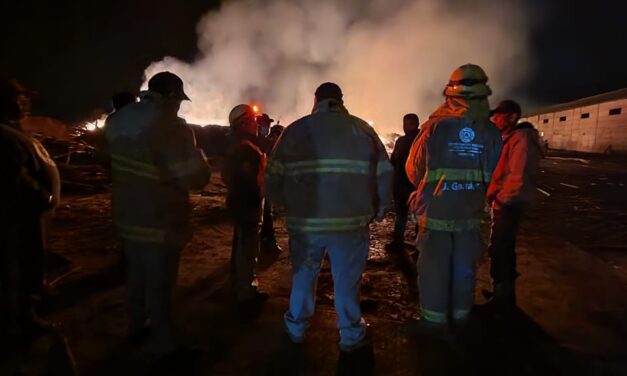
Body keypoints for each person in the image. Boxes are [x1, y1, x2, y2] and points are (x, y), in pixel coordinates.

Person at [266, 82, 393, 356]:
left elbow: (273, 173)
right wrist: (381, 206)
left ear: (316, 100)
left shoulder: (295, 130)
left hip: (305, 223)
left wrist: (280, 204)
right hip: (350, 225)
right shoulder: (362, 130)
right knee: (347, 281)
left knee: (303, 276)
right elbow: (384, 171)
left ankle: (296, 329)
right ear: (341, 100)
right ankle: (350, 336)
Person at [103, 71, 210, 359]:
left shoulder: (118, 119)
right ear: (171, 96)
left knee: (136, 276)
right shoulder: (170, 126)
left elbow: (106, 162)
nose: (179, 107)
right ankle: (166, 347)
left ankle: (136, 327)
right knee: (161, 285)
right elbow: (194, 178)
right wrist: (200, 157)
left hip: (127, 215)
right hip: (160, 219)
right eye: (178, 100)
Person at [405, 64, 503, 332]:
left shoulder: (433, 128)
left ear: (450, 93)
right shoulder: (492, 133)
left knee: (434, 271)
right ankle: (461, 318)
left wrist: (437, 186)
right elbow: (495, 173)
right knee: (464, 271)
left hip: (436, 214)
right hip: (469, 215)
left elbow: (413, 171)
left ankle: (434, 325)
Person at [0, 79, 60, 339]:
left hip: (30, 216)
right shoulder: (3, 136)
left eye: (26, 98)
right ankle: (21, 322)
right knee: (18, 266)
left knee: (29, 262)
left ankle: (27, 308)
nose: (25, 103)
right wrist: (43, 197)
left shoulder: (13, 131)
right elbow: (13, 180)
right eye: (19, 99)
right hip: (18, 219)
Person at [486, 100, 544, 307]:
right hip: (505, 202)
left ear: (512, 117)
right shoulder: (510, 138)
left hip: (510, 203)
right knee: (501, 247)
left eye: (499, 116)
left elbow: (517, 176)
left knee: (501, 248)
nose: (495, 119)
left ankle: (503, 298)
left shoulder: (521, 139)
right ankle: (500, 291)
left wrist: (501, 198)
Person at [223, 104, 269, 313]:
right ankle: (245, 293)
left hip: (242, 202)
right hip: (247, 204)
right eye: (251, 120)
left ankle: (239, 286)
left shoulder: (240, 143)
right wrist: (259, 193)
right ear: (242, 123)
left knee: (242, 246)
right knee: (247, 250)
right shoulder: (245, 148)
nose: (256, 124)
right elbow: (248, 180)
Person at [388, 113, 420, 250]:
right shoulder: (400, 141)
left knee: (418, 216)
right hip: (401, 186)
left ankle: (419, 245)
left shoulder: (421, 140)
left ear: (417, 124)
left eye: (410, 124)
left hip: (415, 186)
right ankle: (398, 242)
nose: (407, 127)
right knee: (401, 215)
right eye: (405, 124)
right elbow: (393, 162)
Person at [255, 113, 282, 255]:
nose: (267, 127)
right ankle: (268, 245)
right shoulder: (257, 141)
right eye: (265, 125)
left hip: (264, 184)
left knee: (266, 214)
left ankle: (268, 243)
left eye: (268, 125)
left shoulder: (260, 140)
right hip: (258, 186)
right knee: (264, 215)